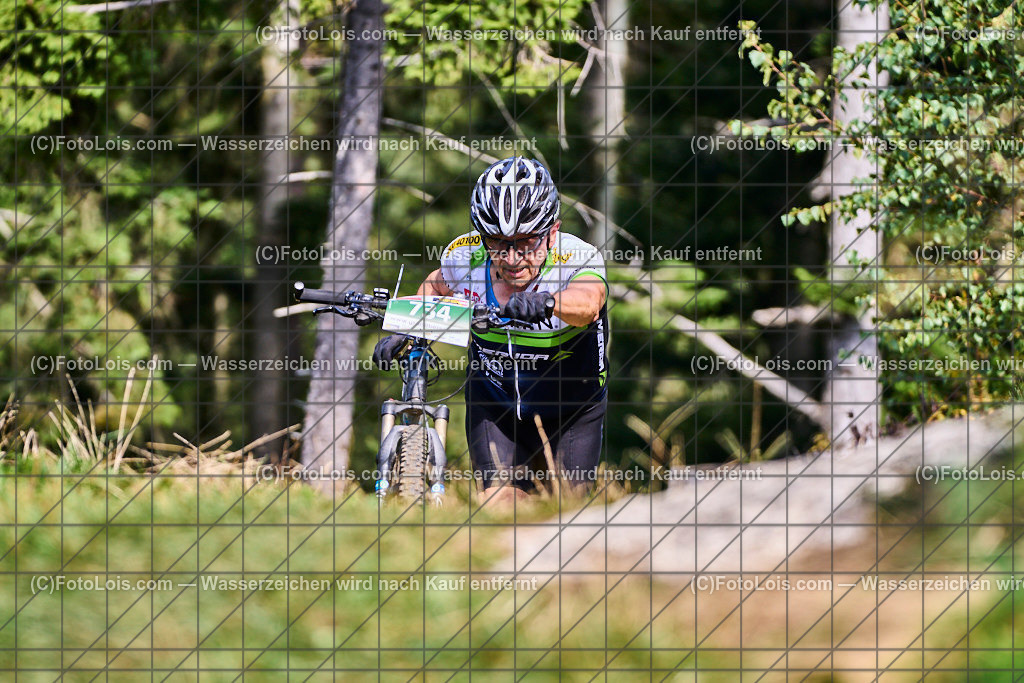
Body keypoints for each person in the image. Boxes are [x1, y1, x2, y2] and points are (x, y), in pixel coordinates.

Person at [373, 157, 609, 503]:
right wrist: (407, 327)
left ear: (552, 232)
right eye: (497, 242)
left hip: (571, 409)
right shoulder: (465, 256)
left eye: (526, 242)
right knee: (500, 505)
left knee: (565, 510)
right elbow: (434, 288)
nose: (512, 258)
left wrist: (547, 303)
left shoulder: (577, 257)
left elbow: (589, 303)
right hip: (495, 406)